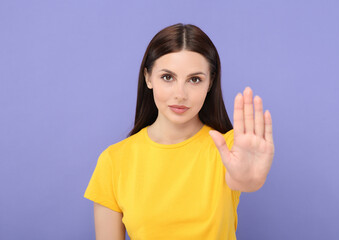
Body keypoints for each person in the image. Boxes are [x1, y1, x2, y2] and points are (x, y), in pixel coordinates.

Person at [84, 23, 275, 240]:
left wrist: (248, 180)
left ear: (210, 83)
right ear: (148, 77)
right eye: (168, 77)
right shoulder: (114, 161)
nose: (180, 94)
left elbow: (244, 176)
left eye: (195, 79)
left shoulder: (230, 148)